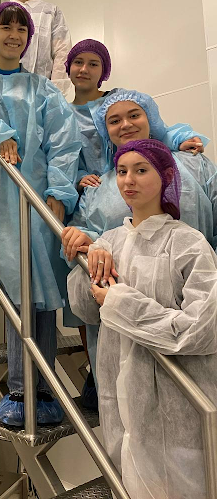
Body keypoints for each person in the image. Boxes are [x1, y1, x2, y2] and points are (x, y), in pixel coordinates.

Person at [0, 2, 81, 426]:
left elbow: (63, 142)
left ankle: (43, 390)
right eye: (6, 27)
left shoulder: (41, 87)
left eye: (22, 29)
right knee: (17, 287)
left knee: (41, 290)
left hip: (38, 194)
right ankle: (21, 389)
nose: (14, 35)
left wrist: (59, 192)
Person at [68, 139, 217, 499]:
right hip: (120, 407)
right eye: (121, 171)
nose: (128, 180)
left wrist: (119, 301)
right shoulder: (109, 242)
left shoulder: (188, 243)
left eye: (140, 170)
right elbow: (84, 311)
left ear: (166, 176)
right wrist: (85, 259)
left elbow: (203, 329)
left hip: (179, 404)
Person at [62, 89, 216, 378]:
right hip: (119, 323)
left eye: (134, 115)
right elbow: (85, 236)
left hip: (196, 300)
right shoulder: (98, 187)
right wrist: (86, 243)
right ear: (105, 130)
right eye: (114, 120)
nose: (126, 125)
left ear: (151, 119)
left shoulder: (194, 164)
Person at [65, 39, 206, 191]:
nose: (84, 69)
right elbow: (65, 157)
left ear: (103, 71)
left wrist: (179, 141)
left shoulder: (119, 99)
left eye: (93, 64)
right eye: (78, 62)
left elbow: (156, 131)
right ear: (68, 67)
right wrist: (80, 178)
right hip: (97, 192)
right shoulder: (64, 115)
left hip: (137, 180)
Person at [10, 0, 72, 98]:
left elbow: (62, 54)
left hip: (42, 95)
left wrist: (54, 96)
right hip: (6, 91)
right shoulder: (3, 12)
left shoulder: (51, 12)